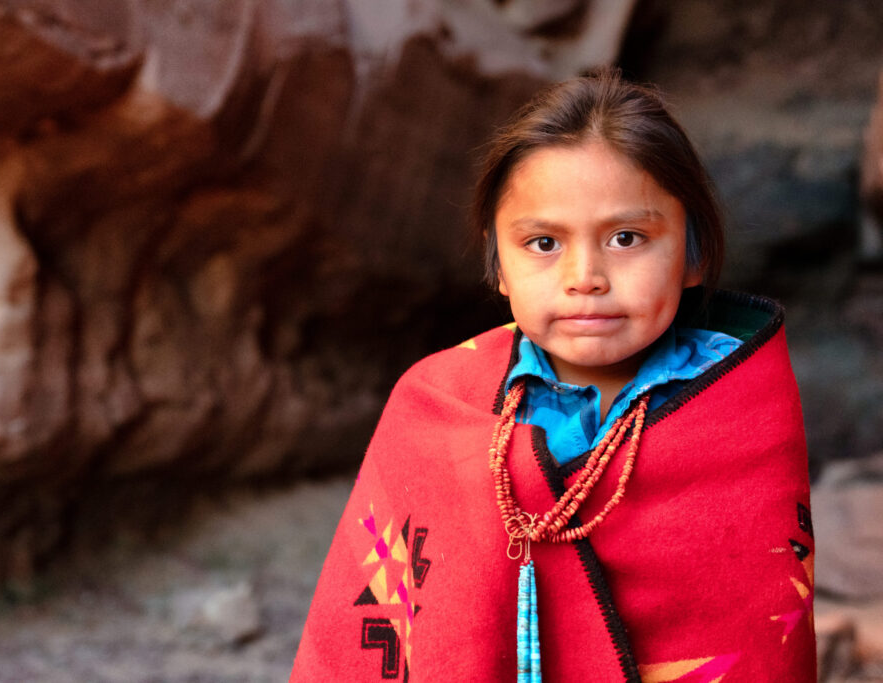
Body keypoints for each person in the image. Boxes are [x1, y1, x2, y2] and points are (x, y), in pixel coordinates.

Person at [292, 69, 815, 682]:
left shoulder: (739, 405)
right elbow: (388, 618)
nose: (584, 276)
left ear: (693, 253)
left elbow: (755, 628)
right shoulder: (441, 406)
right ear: (499, 264)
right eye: (543, 243)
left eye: (627, 237)